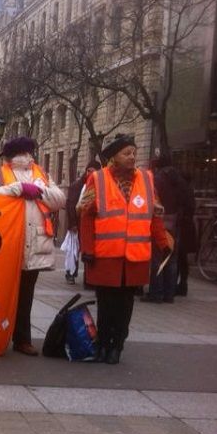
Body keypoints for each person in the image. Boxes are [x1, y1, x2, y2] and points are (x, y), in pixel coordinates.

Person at [78, 134, 170, 364]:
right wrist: (87, 248)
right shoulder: (98, 179)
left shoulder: (147, 180)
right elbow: (86, 217)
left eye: (134, 153)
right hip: (105, 255)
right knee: (106, 303)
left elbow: (154, 216)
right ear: (114, 157)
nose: (132, 157)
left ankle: (117, 345)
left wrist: (164, 243)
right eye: (126, 153)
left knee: (125, 305)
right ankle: (102, 343)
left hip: (134, 258)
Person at [0, 136, 65, 356]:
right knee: (7, 293)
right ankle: (2, 334)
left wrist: (40, 192)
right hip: (10, 240)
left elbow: (59, 199)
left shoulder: (41, 174)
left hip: (33, 241)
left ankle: (21, 338)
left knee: (26, 293)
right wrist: (18, 188)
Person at [144, 156, 186, 303]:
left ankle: (156, 293)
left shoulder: (157, 180)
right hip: (176, 223)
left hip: (160, 222)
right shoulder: (180, 180)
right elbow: (186, 202)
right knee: (172, 259)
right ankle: (169, 294)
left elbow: (153, 201)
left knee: (157, 259)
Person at [64, 161, 101, 285]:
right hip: (77, 223)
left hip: (91, 224)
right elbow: (71, 205)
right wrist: (72, 224)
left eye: (94, 171)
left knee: (88, 250)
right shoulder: (77, 186)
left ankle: (88, 277)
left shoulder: (99, 185)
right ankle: (70, 273)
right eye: (89, 170)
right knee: (73, 250)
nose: (90, 173)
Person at [176, 170, 197, 296]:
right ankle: (183, 284)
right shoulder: (190, 191)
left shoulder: (183, 191)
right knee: (182, 258)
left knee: (179, 257)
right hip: (189, 227)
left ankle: (180, 284)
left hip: (183, 227)